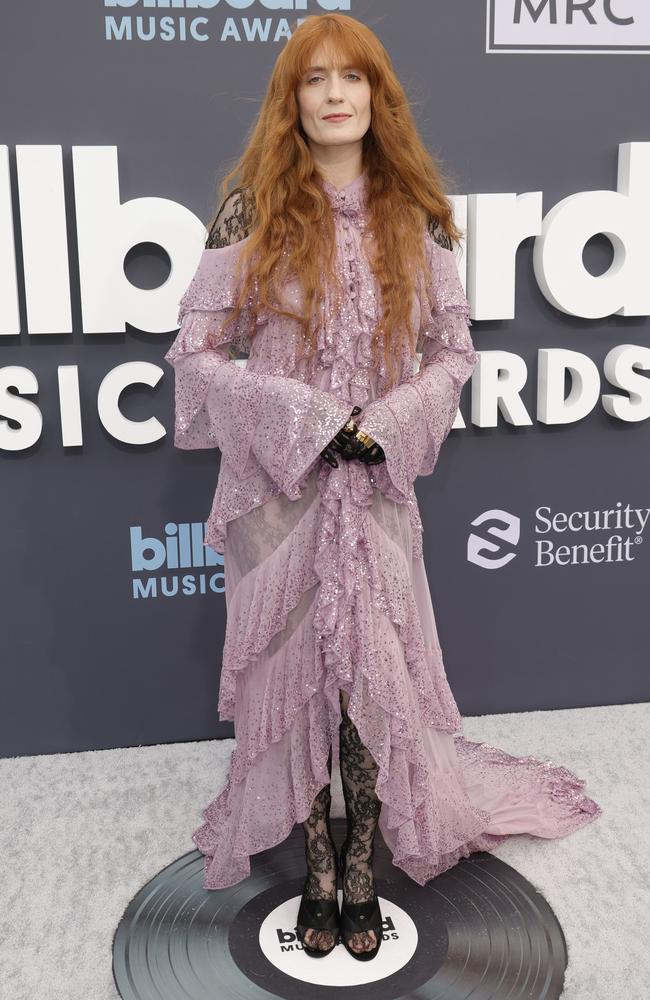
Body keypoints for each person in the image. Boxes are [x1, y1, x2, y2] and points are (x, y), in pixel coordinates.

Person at [164, 13, 601, 962]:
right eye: (313, 79)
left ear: (375, 96)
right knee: (300, 687)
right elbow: (194, 356)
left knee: (369, 685)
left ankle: (361, 872)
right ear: (293, 100)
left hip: (377, 496)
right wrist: (302, 416)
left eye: (349, 79)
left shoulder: (421, 214)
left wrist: (388, 424)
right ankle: (315, 872)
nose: (332, 94)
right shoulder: (248, 208)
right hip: (281, 498)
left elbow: (454, 355)